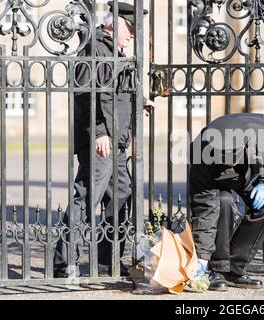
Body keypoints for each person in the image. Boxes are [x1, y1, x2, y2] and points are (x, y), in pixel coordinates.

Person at [53, 1, 153, 278]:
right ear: (115, 22)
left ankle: (108, 262)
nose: (133, 35)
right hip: (102, 141)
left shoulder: (114, 50)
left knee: (122, 195)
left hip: (117, 142)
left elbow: (116, 92)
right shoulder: (93, 47)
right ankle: (64, 263)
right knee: (86, 198)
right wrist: (99, 131)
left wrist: (140, 102)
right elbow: (87, 94)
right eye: (131, 28)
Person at [189, 113, 264, 291]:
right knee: (223, 202)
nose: (227, 163)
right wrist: (201, 257)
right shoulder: (200, 152)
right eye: (221, 157)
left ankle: (234, 270)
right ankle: (216, 268)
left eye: (231, 158)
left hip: (251, 171)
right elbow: (204, 209)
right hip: (215, 178)